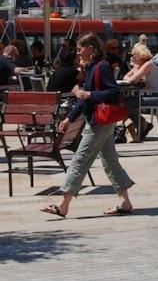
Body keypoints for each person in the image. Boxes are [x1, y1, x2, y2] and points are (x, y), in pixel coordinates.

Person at [41, 33, 135, 218]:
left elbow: (113, 93)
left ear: (91, 49)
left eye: (79, 49)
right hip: (102, 121)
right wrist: (70, 118)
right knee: (110, 163)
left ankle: (63, 205)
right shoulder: (92, 67)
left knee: (80, 160)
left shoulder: (101, 66)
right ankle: (125, 202)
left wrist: (87, 94)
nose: (78, 52)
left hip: (99, 122)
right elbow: (85, 100)